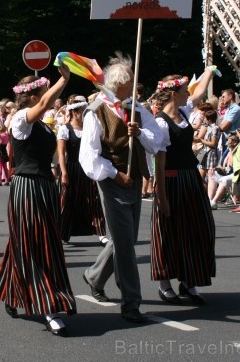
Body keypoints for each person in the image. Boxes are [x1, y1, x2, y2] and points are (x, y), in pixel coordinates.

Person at [79, 53, 163, 324]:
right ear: (121, 83)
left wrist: (139, 133)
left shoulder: (137, 109)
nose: (137, 84)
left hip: (135, 180)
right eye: (132, 79)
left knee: (123, 240)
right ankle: (131, 302)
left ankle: (94, 276)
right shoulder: (96, 111)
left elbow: (158, 141)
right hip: (112, 183)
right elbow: (89, 157)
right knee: (126, 246)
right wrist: (116, 175)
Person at [0, 66, 76, 337]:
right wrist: (64, 80)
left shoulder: (38, 123)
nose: (46, 96)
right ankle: (49, 306)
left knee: (30, 240)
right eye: (41, 91)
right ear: (30, 96)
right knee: (36, 242)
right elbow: (43, 104)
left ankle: (11, 291)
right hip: (27, 186)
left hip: (44, 186)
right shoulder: (20, 119)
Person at [152, 73, 216, 305]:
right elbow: (159, 162)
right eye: (184, 90)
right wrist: (162, 197)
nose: (189, 94)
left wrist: (208, 71)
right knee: (170, 232)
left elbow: (198, 93)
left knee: (198, 228)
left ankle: (189, 281)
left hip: (190, 179)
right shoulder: (160, 122)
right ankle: (165, 284)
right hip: (171, 181)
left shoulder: (184, 113)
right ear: (173, 93)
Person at [56, 94, 104, 244]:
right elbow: (62, 153)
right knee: (66, 201)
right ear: (76, 112)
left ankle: (100, 232)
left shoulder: (90, 128)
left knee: (93, 198)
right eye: (83, 110)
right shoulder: (65, 129)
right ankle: (61, 232)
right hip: (71, 168)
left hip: (88, 167)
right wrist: (64, 173)